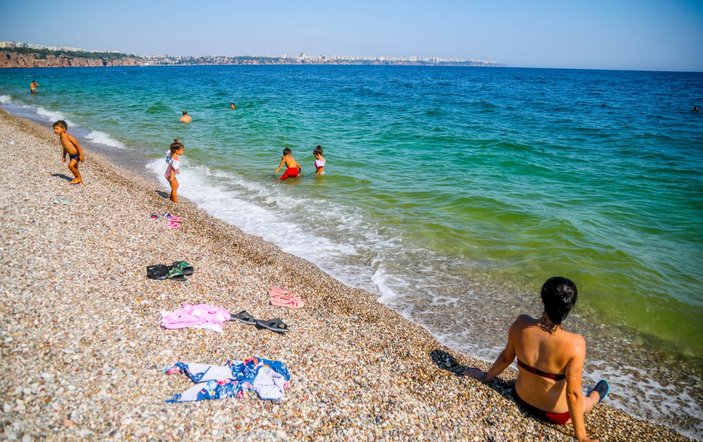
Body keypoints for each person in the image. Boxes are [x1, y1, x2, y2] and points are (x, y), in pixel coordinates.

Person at [463, 277, 609, 442]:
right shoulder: (575, 344)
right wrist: (582, 438)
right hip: (557, 415)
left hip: (522, 398)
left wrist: (484, 377)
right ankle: (597, 395)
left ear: (542, 300)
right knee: (585, 401)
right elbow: (573, 394)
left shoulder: (521, 324)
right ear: (570, 307)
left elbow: (505, 358)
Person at [53, 120, 84, 184]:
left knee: (70, 166)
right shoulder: (61, 138)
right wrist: (64, 156)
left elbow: (77, 145)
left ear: (64, 129)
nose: (55, 130)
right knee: (75, 168)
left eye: (57, 129)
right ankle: (79, 180)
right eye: (54, 129)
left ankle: (77, 178)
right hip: (71, 155)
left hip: (76, 154)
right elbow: (65, 147)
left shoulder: (68, 136)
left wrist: (81, 155)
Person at [165, 139, 184, 203]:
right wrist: (172, 176)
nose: (182, 151)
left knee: (174, 186)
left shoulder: (171, 153)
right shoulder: (175, 158)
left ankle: (171, 198)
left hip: (168, 173)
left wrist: (177, 170)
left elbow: (172, 165)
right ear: (176, 150)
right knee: (175, 186)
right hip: (170, 174)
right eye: (182, 150)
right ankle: (175, 201)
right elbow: (173, 168)